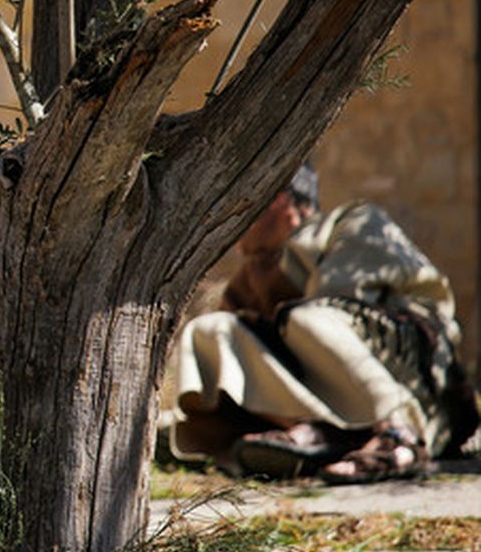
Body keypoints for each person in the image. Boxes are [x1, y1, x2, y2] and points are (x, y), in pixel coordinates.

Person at [169, 164, 478, 482]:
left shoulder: (353, 221)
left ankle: (399, 434)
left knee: (304, 319)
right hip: (330, 380)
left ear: (278, 200)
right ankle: (326, 433)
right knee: (208, 331)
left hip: (414, 377)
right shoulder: (248, 280)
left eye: (238, 206)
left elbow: (342, 305)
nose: (227, 220)